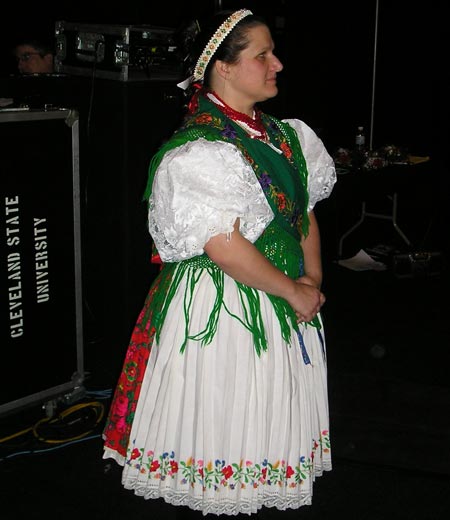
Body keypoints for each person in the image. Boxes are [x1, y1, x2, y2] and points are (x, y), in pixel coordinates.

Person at [102, 8, 336, 517]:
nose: (277, 62)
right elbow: (222, 244)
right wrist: (293, 290)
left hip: (284, 292)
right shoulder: (197, 152)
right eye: (262, 54)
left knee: (268, 416)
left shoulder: (288, 135)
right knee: (228, 415)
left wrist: (311, 279)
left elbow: (304, 214)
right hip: (225, 306)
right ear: (223, 68)